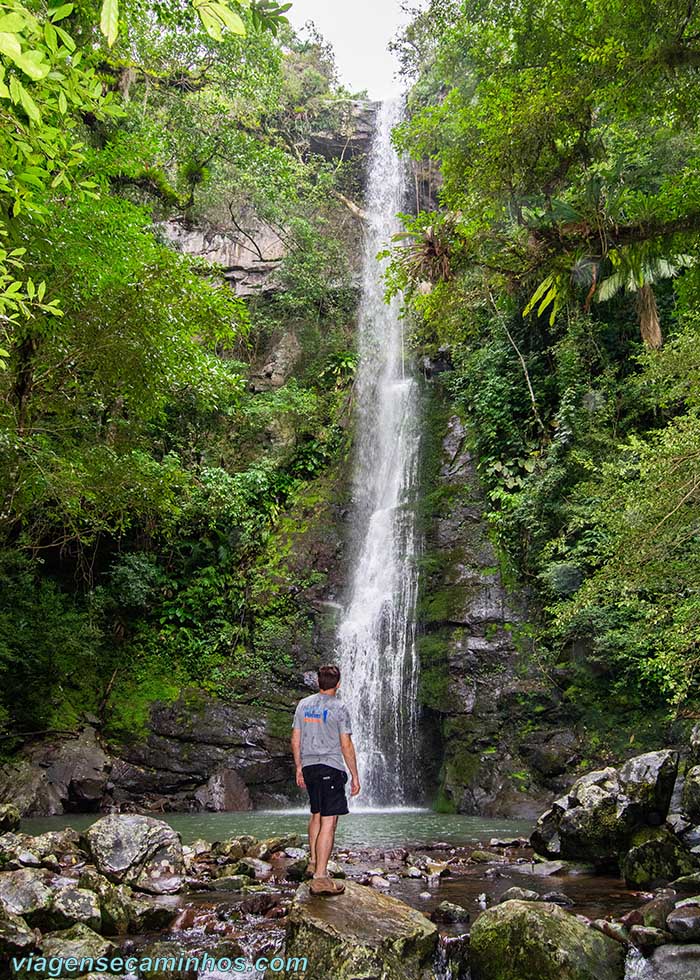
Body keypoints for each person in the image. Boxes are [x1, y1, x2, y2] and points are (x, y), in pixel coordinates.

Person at [291, 663, 361, 895]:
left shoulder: (303, 705)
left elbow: (295, 738)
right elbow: (346, 744)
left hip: (310, 767)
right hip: (330, 767)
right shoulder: (339, 707)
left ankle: (313, 861)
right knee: (329, 822)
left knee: (316, 813)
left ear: (318, 682)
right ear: (338, 684)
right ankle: (321, 877)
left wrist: (299, 767)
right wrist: (354, 775)